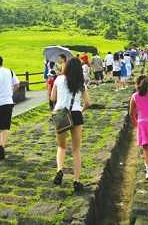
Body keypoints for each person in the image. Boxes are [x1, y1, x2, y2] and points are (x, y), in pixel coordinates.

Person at [50, 57, 91, 193]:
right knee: (76, 149)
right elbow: (87, 102)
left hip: (61, 114)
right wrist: (80, 111)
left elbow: (52, 98)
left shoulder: (59, 79)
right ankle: (76, 180)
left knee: (61, 146)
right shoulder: (80, 82)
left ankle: (60, 170)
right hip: (76, 114)